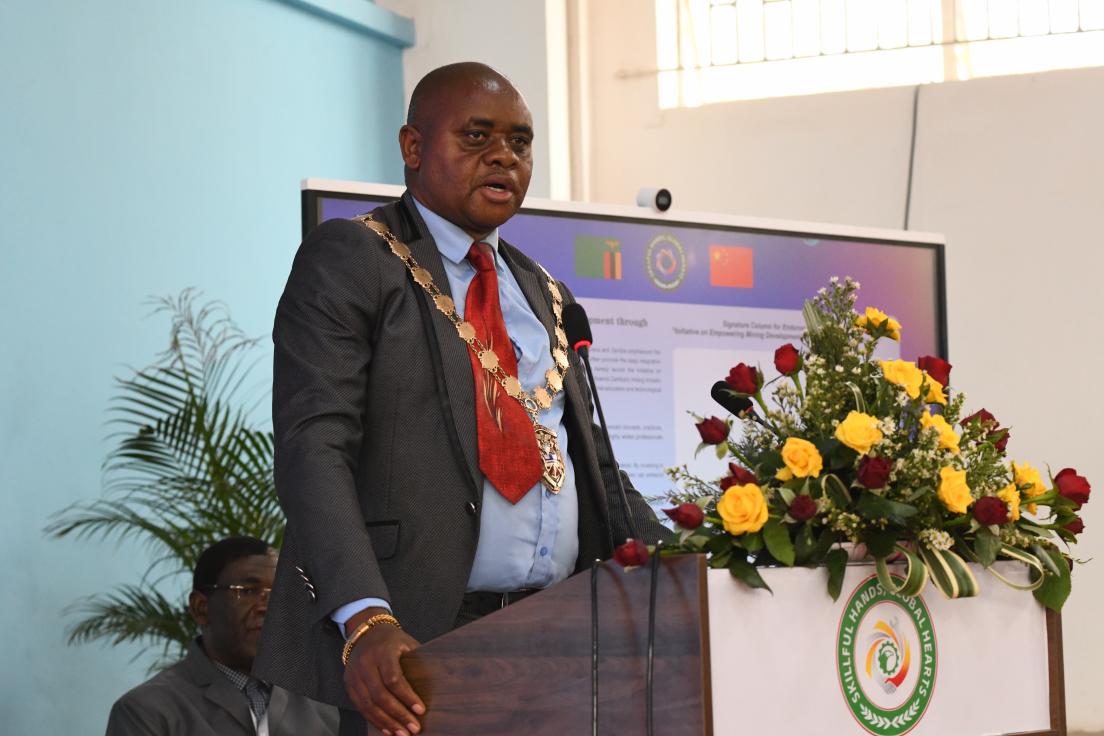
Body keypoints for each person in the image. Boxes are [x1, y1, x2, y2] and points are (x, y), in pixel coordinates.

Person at [254, 62, 667, 736]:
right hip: (414, 640)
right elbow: (314, 446)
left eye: (520, 142)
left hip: (558, 630)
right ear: (413, 147)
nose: (504, 156)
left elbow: (591, 465)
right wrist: (365, 617)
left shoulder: (545, 291)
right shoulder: (355, 257)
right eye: (477, 137)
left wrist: (694, 561)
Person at [105, 536, 338, 735]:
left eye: (277, 592)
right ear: (201, 608)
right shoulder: (147, 710)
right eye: (248, 591)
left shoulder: (324, 702)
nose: (267, 606)